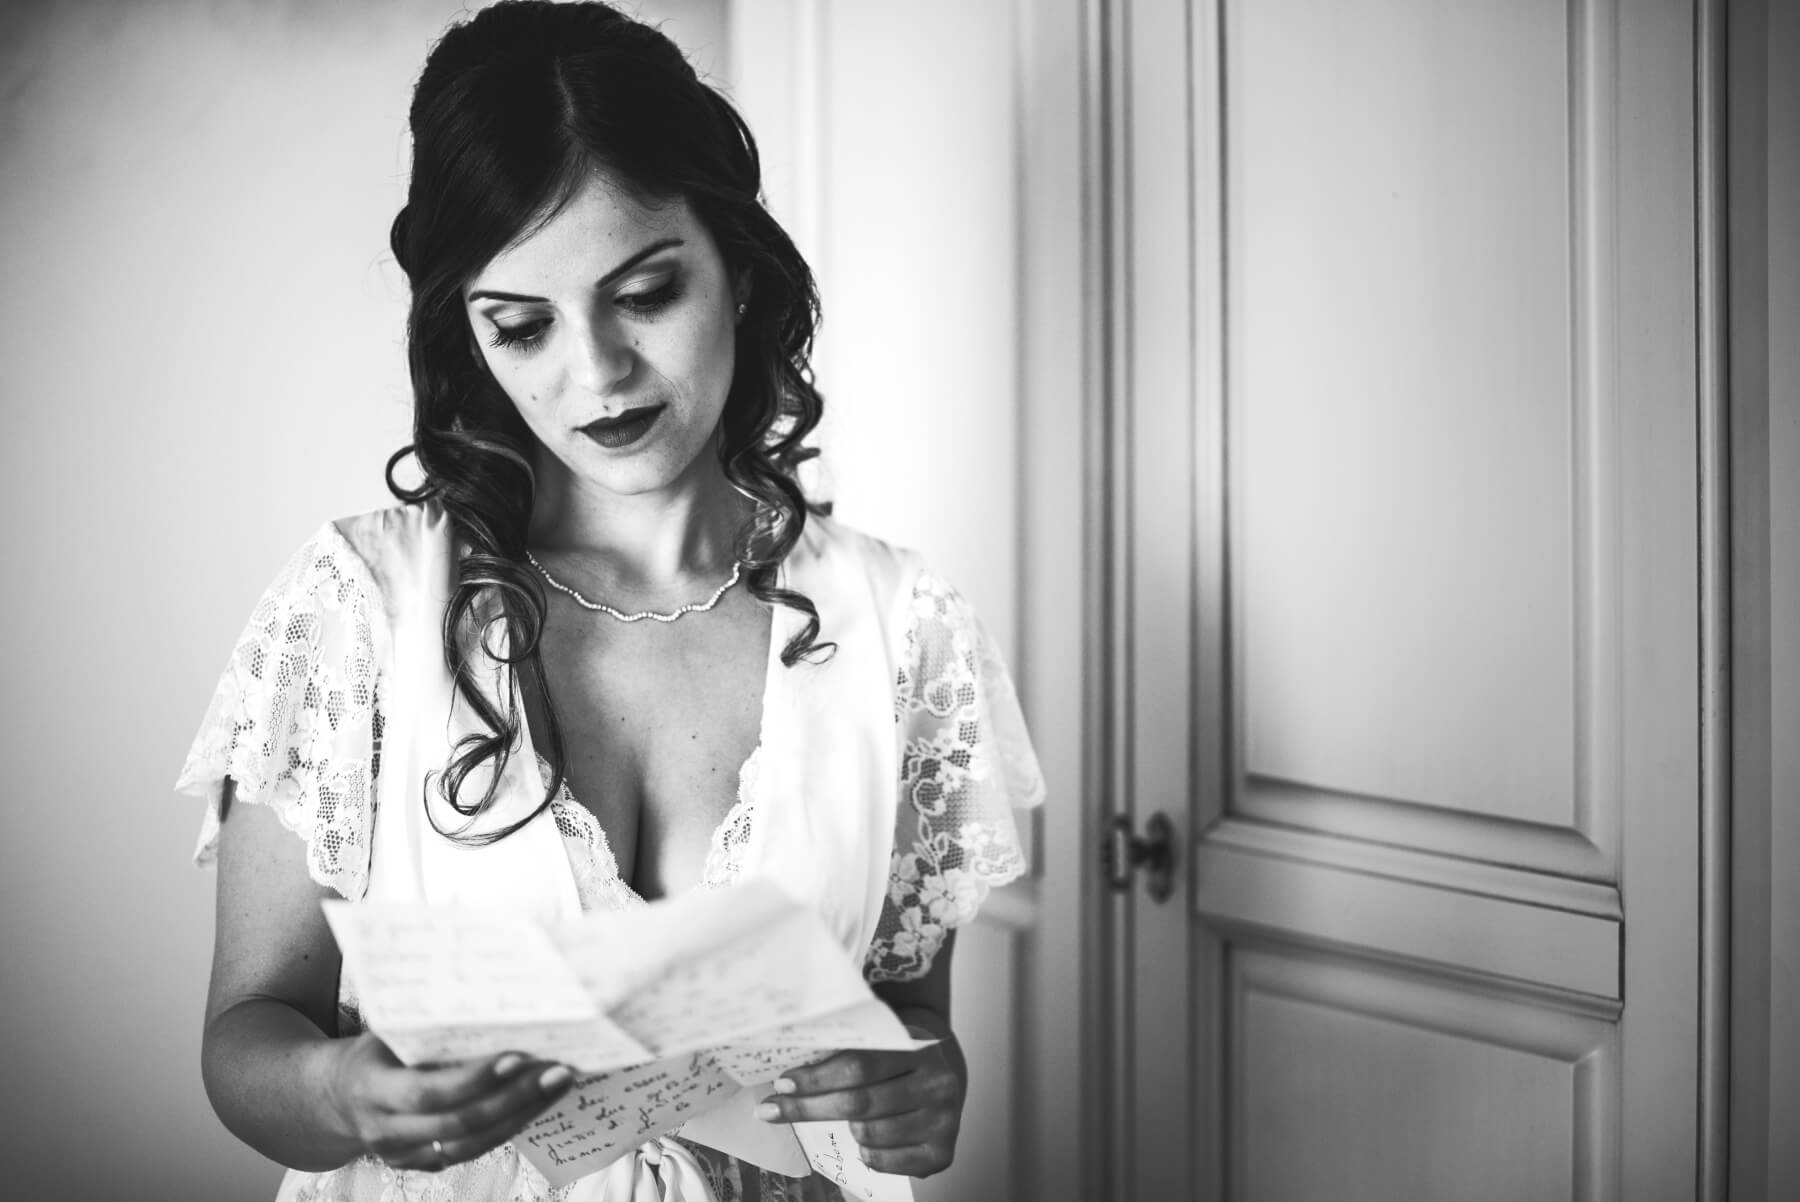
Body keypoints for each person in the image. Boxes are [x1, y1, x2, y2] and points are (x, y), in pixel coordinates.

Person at [173, 3, 1044, 1200]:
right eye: (521, 326)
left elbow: (906, 1020)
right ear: (469, 338)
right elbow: (245, 1036)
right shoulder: (356, 607)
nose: (596, 372)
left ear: (736, 268)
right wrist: (338, 1092)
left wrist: (925, 1080)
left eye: (643, 293)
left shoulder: (905, 628)